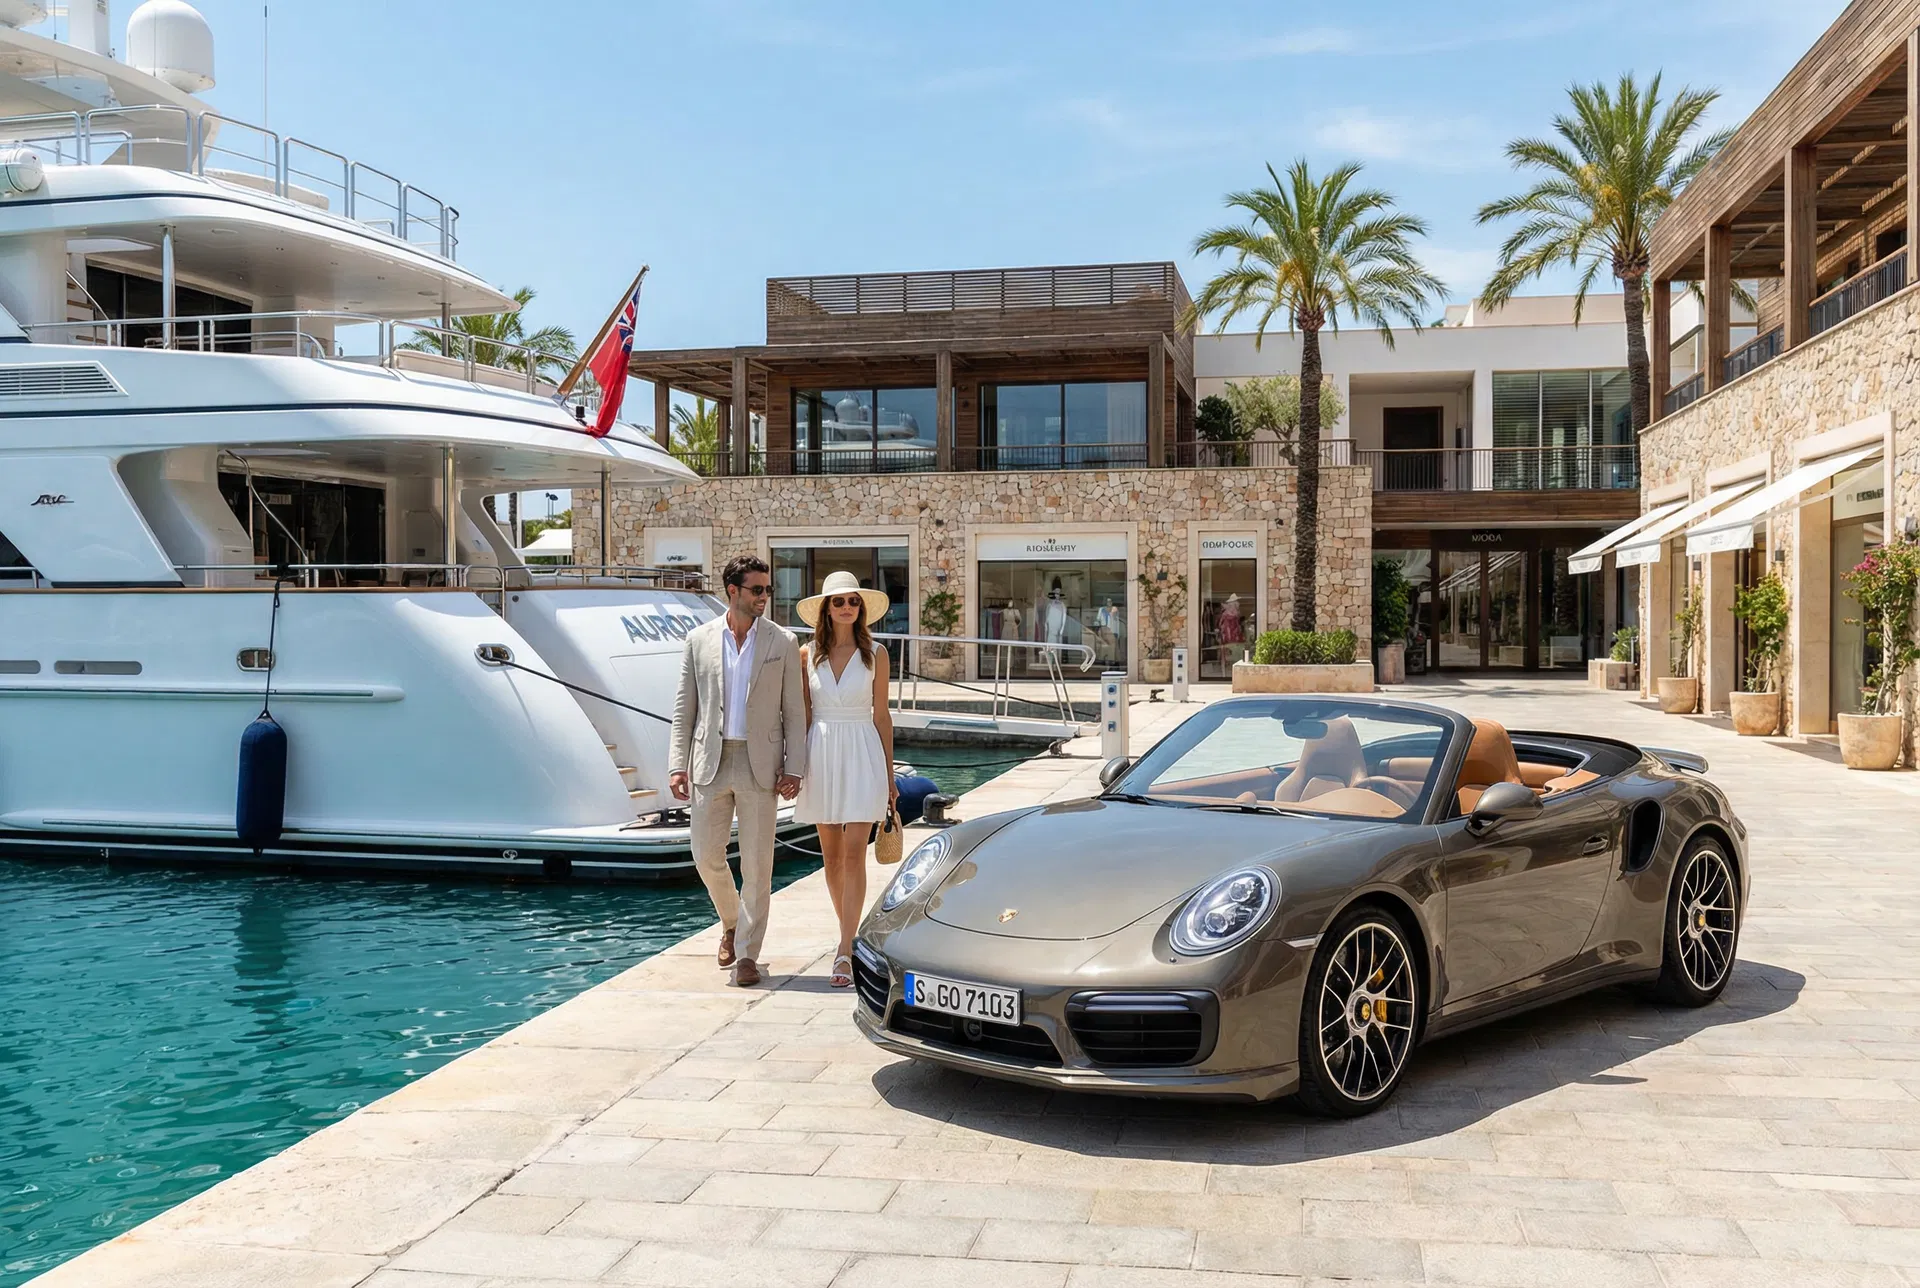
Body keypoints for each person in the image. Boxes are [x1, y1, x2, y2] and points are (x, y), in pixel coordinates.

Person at [668, 554, 807, 987]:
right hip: (710, 761)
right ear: (733, 591)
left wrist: (795, 767)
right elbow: (683, 708)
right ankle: (731, 921)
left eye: (768, 589)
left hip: (761, 763)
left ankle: (747, 953)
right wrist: (677, 765)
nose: (765, 596)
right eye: (757, 590)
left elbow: (794, 711)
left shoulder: (781, 641)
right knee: (706, 857)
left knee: (758, 865)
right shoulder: (698, 640)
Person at [793, 570, 896, 989]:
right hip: (820, 752)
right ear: (826, 608)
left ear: (861, 608)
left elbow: (882, 715)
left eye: (853, 601)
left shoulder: (877, 654)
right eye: (838, 602)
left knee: (855, 855)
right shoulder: (806, 654)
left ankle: (844, 949)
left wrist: (890, 776)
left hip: (862, 751)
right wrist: (793, 767)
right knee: (831, 857)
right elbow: (800, 714)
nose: (846, 608)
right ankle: (850, 936)